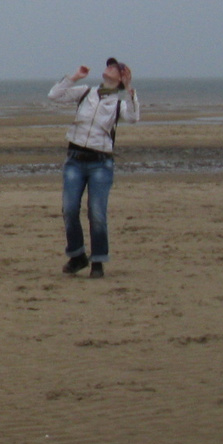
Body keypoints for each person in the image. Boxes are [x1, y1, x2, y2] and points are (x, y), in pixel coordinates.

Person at [48, 58, 138, 279]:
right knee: (69, 209)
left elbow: (134, 117)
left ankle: (98, 261)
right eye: (109, 65)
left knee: (96, 212)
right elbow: (54, 96)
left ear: (121, 77)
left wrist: (128, 89)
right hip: (75, 159)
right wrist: (75, 76)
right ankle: (77, 255)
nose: (109, 68)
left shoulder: (118, 103)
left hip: (101, 163)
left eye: (115, 68)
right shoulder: (86, 92)